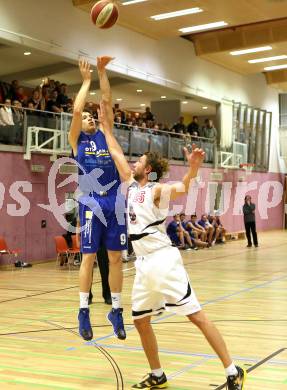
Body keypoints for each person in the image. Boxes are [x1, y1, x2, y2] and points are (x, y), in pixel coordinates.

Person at [98, 100, 246, 390]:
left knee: (197, 316)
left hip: (163, 261)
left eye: (138, 161)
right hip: (143, 265)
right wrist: (106, 126)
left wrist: (192, 170)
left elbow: (182, 188)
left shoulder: (155, 190)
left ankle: (232, 370)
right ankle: (158, 374)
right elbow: (115, 149)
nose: (133, 163)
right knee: (140, 321)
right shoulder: (130, 184)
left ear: (148, 168)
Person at [68, 58, 127, 342]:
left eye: (94, 117)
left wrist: (102, 73)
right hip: (91, 200)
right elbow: (78, 109)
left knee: (116, 258)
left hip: (114, 200)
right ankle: (83, 311)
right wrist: (86, 80)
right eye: (89, 118)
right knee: (89, 257)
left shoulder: (107, 136)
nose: (90, 117)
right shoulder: (77, 140)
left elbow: (107, 99)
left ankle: (116, 310)